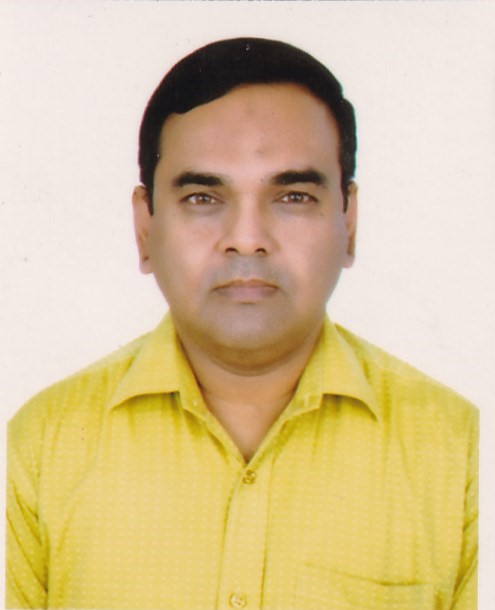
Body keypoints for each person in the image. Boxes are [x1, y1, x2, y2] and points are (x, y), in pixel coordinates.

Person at [6, 37, 478, 610]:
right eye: (203, 198)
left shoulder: (462, 454)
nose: (248, 239)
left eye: (293, 196)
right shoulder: (39, 448)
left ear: (349, 223)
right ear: (144, 228)